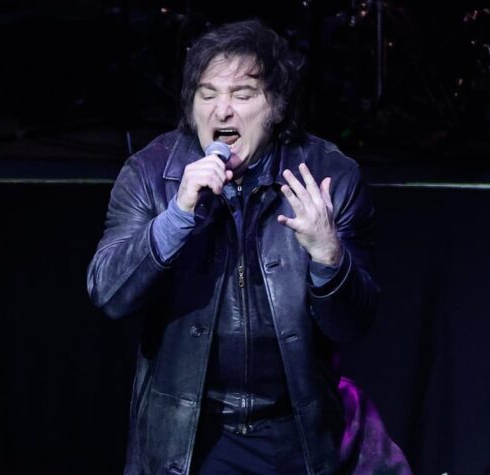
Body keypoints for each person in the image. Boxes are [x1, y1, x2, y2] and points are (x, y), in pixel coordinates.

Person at [87, 19, 410, 475]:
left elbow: (352, 325)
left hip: (295, 429)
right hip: (193, 433)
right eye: (207, 95)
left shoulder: (329, 176)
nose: (222, 112)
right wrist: (177, 216)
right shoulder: (151, 173)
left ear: (275, 107)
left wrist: (328, 257)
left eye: (242, 95)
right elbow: (109, 294)